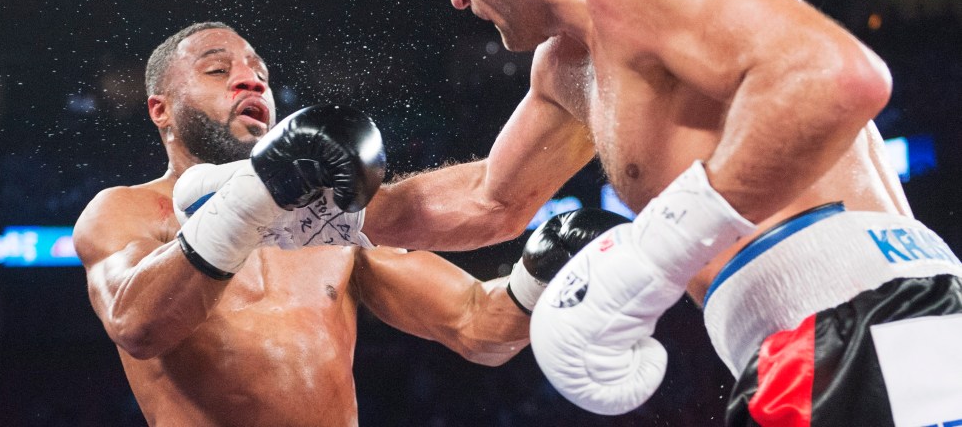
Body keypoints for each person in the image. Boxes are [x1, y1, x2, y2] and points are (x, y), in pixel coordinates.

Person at [389, 0, 962, 425]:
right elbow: (489, 199)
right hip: (813, 348)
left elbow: (836, 77)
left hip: (867, 327)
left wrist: (655, 255)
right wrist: (343, 214)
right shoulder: (568, 65)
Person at [73, 21, 621, 426]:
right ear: (161, 110)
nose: (249, 81)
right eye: (218, 70)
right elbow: (137, 323)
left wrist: (541, 276)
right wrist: (251, 198)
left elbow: (477, 324)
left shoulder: (327, 223)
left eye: (260, 73)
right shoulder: (126, 211)